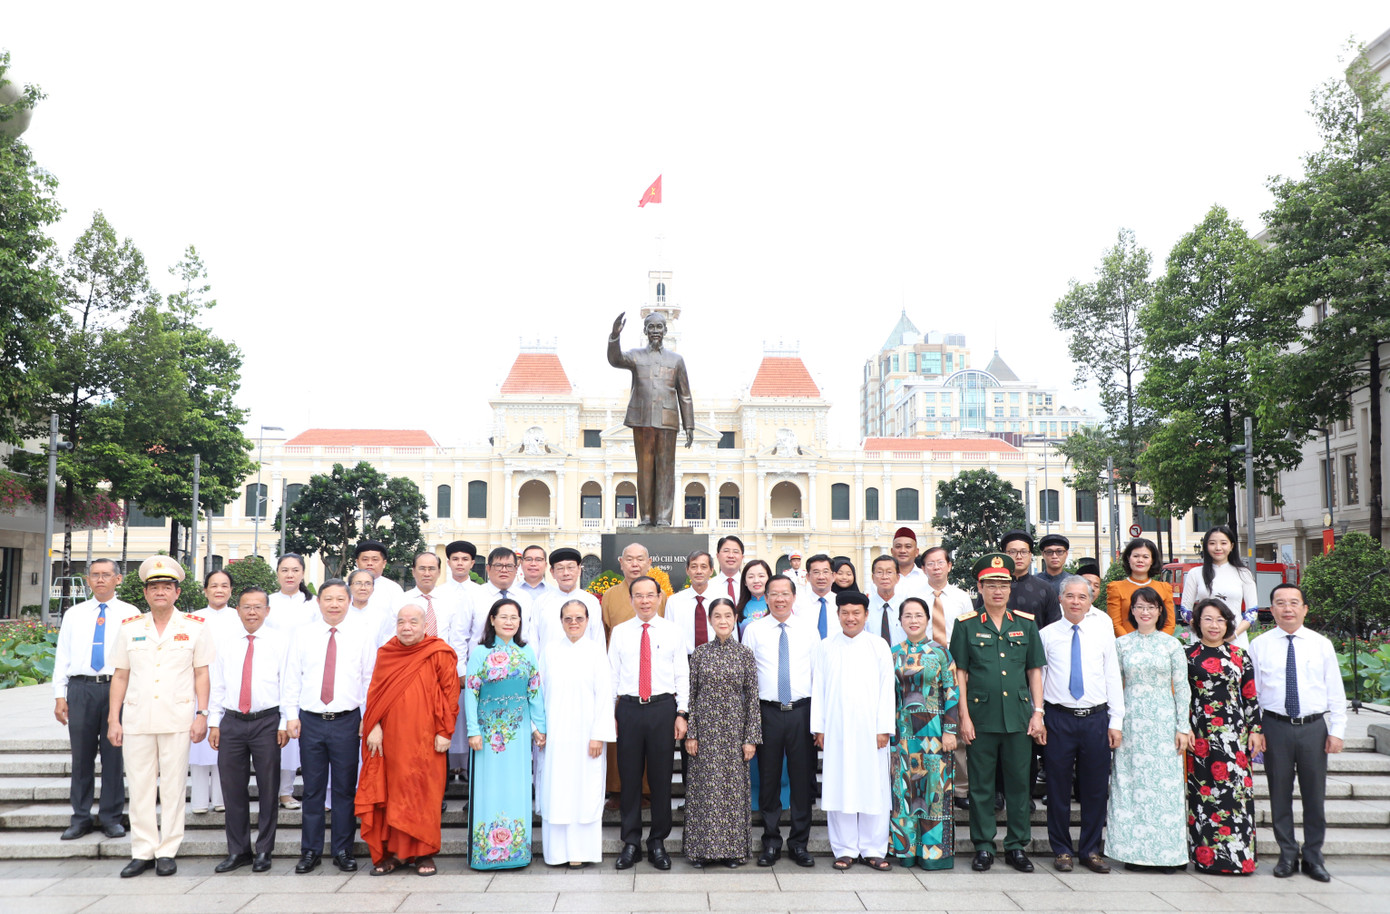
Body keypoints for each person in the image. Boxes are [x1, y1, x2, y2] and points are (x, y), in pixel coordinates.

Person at [107, 556, 214, 878]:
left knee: (172, 786)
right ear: (145, 593)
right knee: (139, 786)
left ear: (177, 592)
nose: (160, 593)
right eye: (154, 588)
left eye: (167, 587)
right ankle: (142, 851)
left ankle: (167, 849)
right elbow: (120, 676)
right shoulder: (130, 628)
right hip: (138, 718)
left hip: (178, 717)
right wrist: (115, 718)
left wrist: (202, 714)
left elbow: (202, 674)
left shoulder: (195, 627)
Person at [951, 552, 1046, 873]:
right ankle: (983, 845)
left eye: (1003, 585)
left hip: (1019, 717)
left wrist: (1038, 713)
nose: (997, 591)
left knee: (1020, 784)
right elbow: (960, 674)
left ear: (1010, 588)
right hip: (980, 718)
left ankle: (1017, 845)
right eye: (990, 585)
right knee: (981, 786)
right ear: (979, 587)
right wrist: (963, 717)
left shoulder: (1025, 624)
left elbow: (1035, 671)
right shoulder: (965, 626)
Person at [1248, 584, 1347, 884]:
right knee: (1279, 795)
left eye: (1294, 603)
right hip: (1275, 727)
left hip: (1314, 728)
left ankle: (1314, 857)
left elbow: (1335, 690)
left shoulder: (1321, 644)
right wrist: (1256, 729)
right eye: (1280, 603)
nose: (1287, 608)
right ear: (1272, 609)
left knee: (1314, 797)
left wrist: (1338, 730)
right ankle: (1287, 854)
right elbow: (1252, 693)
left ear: (1305, 608)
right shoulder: (1260, 645)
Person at [357, 604, 461, 877]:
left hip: (427, 739)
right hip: (391, 738)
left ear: (424, 625)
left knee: (423, 794)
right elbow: (375, 693)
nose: (406, 627)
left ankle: (423, 853)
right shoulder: (387, 653)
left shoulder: (438, 651)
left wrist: (444, 732)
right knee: (392, 794)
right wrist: (373, 725)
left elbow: (451, 694)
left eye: (413, 622)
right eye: (401, 622)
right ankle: (394, 855)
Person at [283, 579, 377, 874]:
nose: (334, 604)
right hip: (310, 719)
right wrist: (290, 715)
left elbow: (369, 679)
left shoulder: (362, 634)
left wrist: (367, 717)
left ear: (349, 602)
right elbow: (292, 676)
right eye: (328, 599)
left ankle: (343, 849)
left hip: (347, 720)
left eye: (340, 599)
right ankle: (310, 851)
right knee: (311, 789)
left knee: (344, 789)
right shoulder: (303, 634)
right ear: (319, 602)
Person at [1039, 577, 1124, 874]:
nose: (1076, 602)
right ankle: (1061, 849)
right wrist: (1039, 716)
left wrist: (1116, 720)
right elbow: (1039, 678)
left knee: (1095, 789)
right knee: (1058, 787)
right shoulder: (1046, 635)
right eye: (1070, 596)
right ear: (1060, 599)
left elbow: (1112, 677)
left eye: (1082, 597)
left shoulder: (1102, 634)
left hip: (1096, 719)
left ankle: (1090, 849)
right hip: (1058, 718)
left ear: (1090, 602)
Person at [1106, 586, 1191, 873]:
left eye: (1151, 607)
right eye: (1139, 606)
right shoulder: (1122, 644)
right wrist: (1114, 723)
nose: (1145, 612)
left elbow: (1182, 688)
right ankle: (1134, 852)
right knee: (1131, 786)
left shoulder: (1171, 645)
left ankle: (1167, 855)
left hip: (1164, 722)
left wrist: (1183, 726)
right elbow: (1114, 687)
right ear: (1131, 610)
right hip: (1131, 723)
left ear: (1160, 611)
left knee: (1164, 789)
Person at [610, 575, 689, 870]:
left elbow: (682, 673)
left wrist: (682, 713)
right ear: (631, 600)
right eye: (638, 596)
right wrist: (611, 715)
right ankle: (631, 842)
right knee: (629, 780)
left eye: (650, 595)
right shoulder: (619, 632)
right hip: (629, 708)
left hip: (662, 709)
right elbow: (612, 675)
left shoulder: (672, 631)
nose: (644, 601)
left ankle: (657, 842)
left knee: (660, 779)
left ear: (659, 598)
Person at [208, 586, 290, 874]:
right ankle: (238, 850)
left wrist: (283, 721)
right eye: (246, 607)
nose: (252, 612)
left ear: (267, 611)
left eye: (258, 607)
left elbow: (288, 684)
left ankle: (264, 850)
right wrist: (214, 722)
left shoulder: (280, 642)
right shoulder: (227, 642)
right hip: (231, 722)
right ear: (238, 610)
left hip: (267, 722)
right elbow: (217, 685)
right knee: (232, 790)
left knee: (269, 789)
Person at [812, 590, 896, 871]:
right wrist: (819, 727)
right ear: (838, 615)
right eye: (845, 613)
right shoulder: (825, 646)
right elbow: (819, 688)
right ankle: (845, 848)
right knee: (840, 786)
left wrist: (884, 727)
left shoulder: (878, 645)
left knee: (875, 787)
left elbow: (887, 689)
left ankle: (874, 848)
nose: (850, 618)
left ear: (865, 615)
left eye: (856, 613)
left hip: (872, 730)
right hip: (836, 729)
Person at [53, 557, 132, 841]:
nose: (100, 580)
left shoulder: (130, 613)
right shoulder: (74, 613)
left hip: (114, 688)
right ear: (88, 580)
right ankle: (81, 817)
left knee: (114, 756)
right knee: (82, 757)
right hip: (81, 689)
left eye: (106, 575)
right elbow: (62, 655)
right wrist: (59, 695)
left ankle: (112, 816)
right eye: (95, 575)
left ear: (117, 579)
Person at [465, 598, 546, 870]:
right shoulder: (479, 653)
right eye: (504, 617)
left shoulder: (527, 653)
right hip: (487, 733)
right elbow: (471, 694)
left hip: (518, 731)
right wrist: (473, 730)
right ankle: (487, 853)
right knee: (489, 789)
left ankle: (516, 853)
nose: (509, 622)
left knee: (517, 787)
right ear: (492, 620)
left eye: (514, 617)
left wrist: (540, 727)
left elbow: (534, 692)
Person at [742, 578, 818, 868]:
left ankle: (799, 844)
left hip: (801, 711)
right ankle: (771, 842)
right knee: (769, 779)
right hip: (767, 712)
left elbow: (817, 676)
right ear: (767, 597)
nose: (779, 599)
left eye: (785, 594)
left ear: (794, 597)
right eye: (773, 594)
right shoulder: (753, 630)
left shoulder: (808, 631)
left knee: (801, 781)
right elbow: (748, 680)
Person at [683, 596, 761, 868]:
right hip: (705, 732)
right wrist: (691, 733)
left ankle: (733, 851)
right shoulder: (701, 653)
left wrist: (750, 738)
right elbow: (691, 696)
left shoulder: (745, 654)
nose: (723, 621)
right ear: (710, 620)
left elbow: (752, 697)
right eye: (717, 616)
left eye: (728, 615)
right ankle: (701, 851)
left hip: (734, 731)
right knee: (704, 790)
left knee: (733, 792)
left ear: (735, 618)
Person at [1186, 597, 1260, 875]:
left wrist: (1256, 731)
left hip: (1235, 735)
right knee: (1203, 796)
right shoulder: (1187, 654)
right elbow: (1181, 696)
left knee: (1235, 796)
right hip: (1201, 735)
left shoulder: (1239, 655)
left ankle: (1240, 859)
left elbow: (1250, 696)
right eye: (1208, 619)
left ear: (1228, 623)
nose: (1214, 625)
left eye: (1220, 619)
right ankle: (1207, 859)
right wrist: (1185, 727)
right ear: (1196, 623)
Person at [538, 598, 615, 868]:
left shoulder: (596, 651)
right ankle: (557, 853)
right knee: (557, 790)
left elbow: (605, 695)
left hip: (587, 736)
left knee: (585, 790)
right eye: (568, 618)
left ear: (587, 621)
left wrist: (598, 735)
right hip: (556, 735)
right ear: (561, 622)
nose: (573, 623)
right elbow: (538, 692)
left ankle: (582, 852)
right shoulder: (549, 651)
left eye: (579, 618)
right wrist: (539, 729)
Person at [888, 596, 958, 870]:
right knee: (904, 790)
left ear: (927, 620)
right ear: (901, 620)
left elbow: (952, 693)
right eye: (908, 616)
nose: (913, 620)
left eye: (919, 615)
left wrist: (950, 731)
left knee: (934, 792)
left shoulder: (941, 653)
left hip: (935, 733)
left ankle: (933, 856)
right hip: (904, 732)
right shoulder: (893, 653)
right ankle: (906, 851)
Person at [607, 310, 695, 526]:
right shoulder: (636, 356)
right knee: (645, 469)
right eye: (651, 327)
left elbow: (685, 394)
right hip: (642, 419)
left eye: (659, 327)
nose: (655, 331)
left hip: (668, 420)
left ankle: (664, 518)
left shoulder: (676, 360)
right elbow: (615, 359)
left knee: (666, 469)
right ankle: (646, 517)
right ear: (645, 330)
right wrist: (615, 336)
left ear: (665, 330)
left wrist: (689, 424)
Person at [921, 546, 973, 810]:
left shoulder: (962, 597)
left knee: (959, 724)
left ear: (949, 566)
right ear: (923, 568)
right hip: (924, 668)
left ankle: (961, 788)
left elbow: (969, 632)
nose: (936, 567)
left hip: (955, 666)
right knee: (927, 725)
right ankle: (929, 784)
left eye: (940, 562)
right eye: (930, 563)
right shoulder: (914, 597)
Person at [268, 553, 316, 810]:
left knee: (292, 733)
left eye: (294, 570)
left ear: (302, 573)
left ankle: (286, 791)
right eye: (284, 570)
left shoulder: (313, 604)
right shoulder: (268, 602)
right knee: (271, 733)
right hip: (270, 674)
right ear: (277, 573)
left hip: (302, 675)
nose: (289, 574)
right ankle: (269, 790)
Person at [189, 569, 239, 816]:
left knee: (225, 746)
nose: (219, 590)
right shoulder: (193, 619)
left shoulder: (239, 618)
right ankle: (198, 800)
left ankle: (221, 798)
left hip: (230, 689)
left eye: (224, 585)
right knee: (198, 745)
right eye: (214, 585)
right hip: (199, 687)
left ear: (231, 590)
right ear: (205, 589)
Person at [1181, 525, 1258, 648]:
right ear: (1206, 546)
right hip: (1203, 639)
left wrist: (1234, 634)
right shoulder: (1195, 573)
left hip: (1235, 639)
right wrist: (1202, 629)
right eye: (1212, 543)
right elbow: (1185, 609)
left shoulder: (1244, 574)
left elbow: (1252, 611)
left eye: (1223, 543)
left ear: (1232, 546)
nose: (1218, 548)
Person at [534, 547, 605, 655]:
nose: (566, 573)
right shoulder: (541, 602)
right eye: (560, 568)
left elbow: (598, 638)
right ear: (552, 572)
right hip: (549, 666)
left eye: (571, 567)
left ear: (579, 570)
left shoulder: (591, 601)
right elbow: (534, 639)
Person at [1105, 538, 1177, 637]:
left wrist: (1157, 644)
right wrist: (1131, 645)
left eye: (1145, 557)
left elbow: (1169, 624)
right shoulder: (1116, 588)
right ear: (1128, 558)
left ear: (1152, 560)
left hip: (1158, 648)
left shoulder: (1164, 588)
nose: (1140, 560)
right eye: (1136, 556)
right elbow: (1116, 624)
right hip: (1126, 647)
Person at [470, 546, 536, 649]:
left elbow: (531, 636)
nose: (504, 570)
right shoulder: (473, 596)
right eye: (498, 565)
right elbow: (460, 636)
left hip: (519, 660)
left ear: (516, 569)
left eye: (509, 566)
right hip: (481, 660)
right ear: (488, 568)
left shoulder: (525, 598)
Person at [999, 530, 1060, 629]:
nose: (1019, 557)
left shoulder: (1045, 588)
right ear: (1004, 555)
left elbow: (1054, 627)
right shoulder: (991, 587)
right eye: (1013, 552)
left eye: (1023, 552)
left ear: (1030, 555)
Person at [666, 550, 718, 654]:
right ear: (687, 570)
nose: (699, 571)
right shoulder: (674, 602)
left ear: (711, 571)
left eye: (704, 567)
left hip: (716, 659)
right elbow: (668, 637)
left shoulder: (722, 599)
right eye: (694, 567)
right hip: (684, 660)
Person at [866, 555, 908, 646]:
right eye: (880, 572)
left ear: (897, 577)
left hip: (902, 658)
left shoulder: (907, 607)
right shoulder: (865, 608)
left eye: (889, 572)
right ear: (873, 578)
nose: (884, 577)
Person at [793, 553, 837, 638]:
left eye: (825, 572)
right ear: (808, 576)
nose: (821, 577)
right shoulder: (797, 604)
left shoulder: (842, 603)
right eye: (816, 572)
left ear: (833, 576)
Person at [356, 540, 405, 615]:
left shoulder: (394, 590)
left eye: (375, 560)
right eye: (365, 559)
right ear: (357, 562)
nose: (370, 563)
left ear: (384, 563)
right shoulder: (346, 588)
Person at [735, 558, 772, 633]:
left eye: (761, 576)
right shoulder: (739, 609)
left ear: (769, 578)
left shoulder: (778, 605)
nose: (756, 581)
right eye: (751, 577)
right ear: (745, 582)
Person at [891, 527, 927, 595]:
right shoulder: (883, 579)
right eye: (898, 546)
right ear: (892, 551)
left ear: (916, 552)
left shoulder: (926, 578)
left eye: (908, 546)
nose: (903, 551)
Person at [1035, 534, 1070, 599]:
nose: (1054, 556)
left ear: (1066, 554)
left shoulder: (1074, 582)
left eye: (1059, 551)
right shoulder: (1033, 582)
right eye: (1049, 552)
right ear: (1043, 554)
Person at [712, 535, 745, 603]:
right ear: (717, 556)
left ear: (742, 557)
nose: (731, 555)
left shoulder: (748, 585)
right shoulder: (709, 586)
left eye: (735, 552)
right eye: (726, 551)